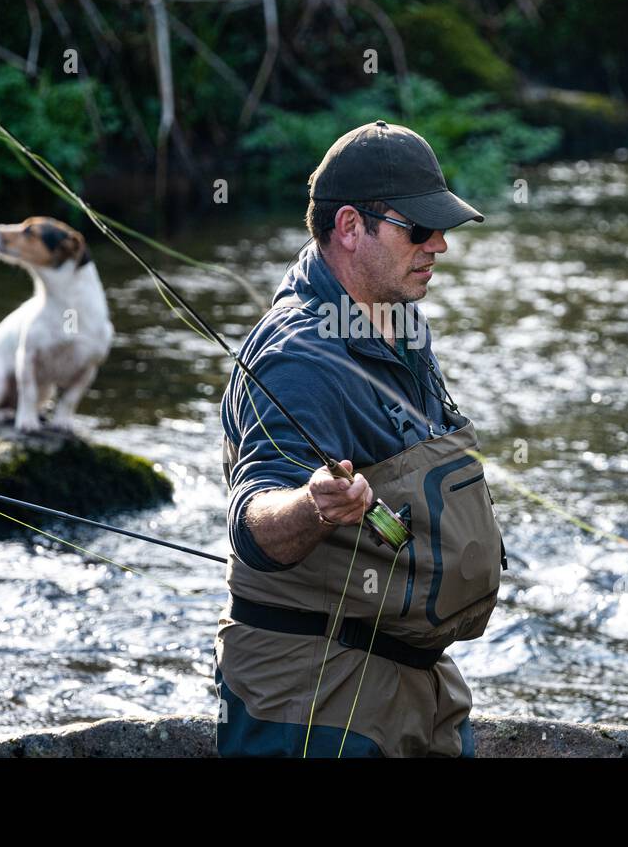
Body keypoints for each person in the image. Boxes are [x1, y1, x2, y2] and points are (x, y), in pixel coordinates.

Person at [215, 119, 507, 757]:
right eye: (419, 229)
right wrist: (312, 504)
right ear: (350, 227)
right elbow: (252, 521)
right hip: (317, 698)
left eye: (442, 229)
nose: (439, 247)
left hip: (410, 676)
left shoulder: (396, 320)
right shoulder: (297, 358)